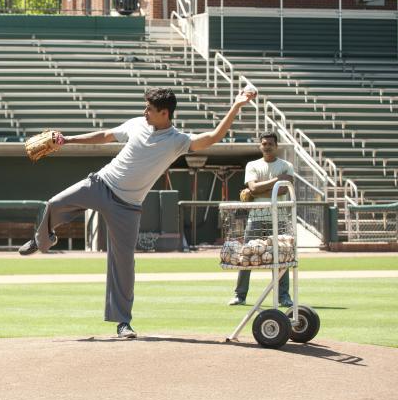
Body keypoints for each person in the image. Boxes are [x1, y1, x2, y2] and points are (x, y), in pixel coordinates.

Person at [18, 87, 255, 339]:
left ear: (164, 113)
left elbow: (213, 136)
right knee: (54, 203)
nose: (145, 112)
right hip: (101, 184)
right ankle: (42, 239)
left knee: (123, 263)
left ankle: (122, 322)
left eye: (150, 109)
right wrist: (69, 140)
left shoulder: (177, 141)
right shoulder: (137, 124)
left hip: (128, 206)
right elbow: (106, 135)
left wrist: (236, 106)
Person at [228, 131, 295, 307]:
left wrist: (258, 190)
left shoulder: (286, 165)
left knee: (282, 258)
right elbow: (253, 187)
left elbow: (283, 190)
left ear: (276, 146)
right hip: (256, 217)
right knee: (247, 256)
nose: (267, 147)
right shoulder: (252, 165)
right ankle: (240, 296)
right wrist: (274, 181)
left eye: (270, 144)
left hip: (278, 218)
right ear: (260, 146)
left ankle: (284, 297)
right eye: (264, 144)